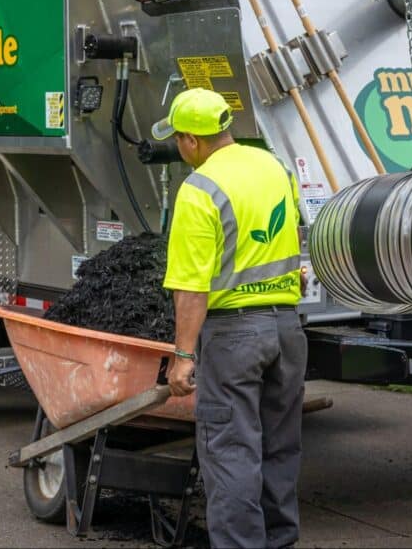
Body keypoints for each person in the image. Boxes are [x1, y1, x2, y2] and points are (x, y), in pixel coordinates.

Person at [151, 87, 307, 549]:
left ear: (193, 141)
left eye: (179, 139)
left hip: (235, 335)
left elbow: (192, 287)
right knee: (279, 448)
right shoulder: (274, 167)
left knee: (232, 452)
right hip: (286, 329)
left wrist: (182, 356)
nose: (179, 148)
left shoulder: (199, 190)